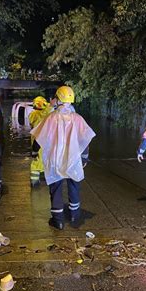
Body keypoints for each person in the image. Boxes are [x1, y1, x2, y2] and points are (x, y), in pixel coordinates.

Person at [31, 86, 96, 230]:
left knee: (56, 187)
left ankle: (58, 220)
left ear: (58, 99)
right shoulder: (78, 118)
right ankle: (74, 215)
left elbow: (38, 137)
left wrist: (34, 152)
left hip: (55, 159)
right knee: (74, 186)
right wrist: (84, 158)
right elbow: (85, 139)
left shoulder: (51, 118)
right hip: (73, 158)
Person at [28, 96, 51, 187]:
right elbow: (45, 113)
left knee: (37, 160)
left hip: (38, 140)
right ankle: (40, 179)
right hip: (43, 140)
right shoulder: (46, 113)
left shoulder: (33, 114)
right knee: (43, 159)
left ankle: (35, 181)